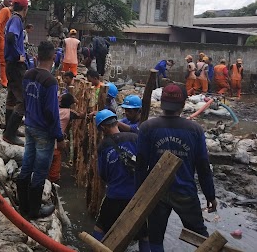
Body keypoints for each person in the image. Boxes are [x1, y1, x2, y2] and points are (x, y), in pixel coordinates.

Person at [136, 83, 216, 252]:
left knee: (155, 237)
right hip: (185, 192)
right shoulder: (194, 130)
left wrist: (139, 194)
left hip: (156, 192)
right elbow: (203, 166)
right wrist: (210, 195)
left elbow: (141, 165)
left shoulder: (147, 128)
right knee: (201, 238)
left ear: (163, 104)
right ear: (183, 104)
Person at [17, 41, 66, 219]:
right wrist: (59, 138)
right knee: (39, 171)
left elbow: (25, 100)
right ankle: (34, 210)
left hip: (29, 126)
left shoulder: (28, 74)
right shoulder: (50, 81)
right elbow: (52, 113)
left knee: (27, 164)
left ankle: (22, 205)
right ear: (53, 58)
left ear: (37, 56)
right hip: (44, 132)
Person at [93, 109, 150, 252]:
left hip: (115, 195)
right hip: (137, 195)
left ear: (103, 128)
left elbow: (103, 174)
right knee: (144, 233)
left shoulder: (103, 147)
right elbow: (145, 163)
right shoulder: (134, 138)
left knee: (100, 227)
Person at [2, 0, 29, 146]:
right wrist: (19, 55)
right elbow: (11, 37)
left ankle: (9, 127)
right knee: (23, 100)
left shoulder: (13, 18)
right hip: (15, 64)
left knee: (12, 95)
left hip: (10, 64)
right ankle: (10, 134)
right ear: (25, 8)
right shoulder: (17, 20)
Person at [48, 93, 85, 184]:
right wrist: (79, 102)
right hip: (57, 143)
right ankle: (53, 183)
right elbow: (82, 115)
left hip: (46, 140)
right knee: (55, 165)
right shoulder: (69, 112)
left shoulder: (53, 108)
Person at [0, 0, 12, 87]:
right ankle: (4, 81)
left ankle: (5, 80)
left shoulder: (8, 11)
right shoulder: (5, 10)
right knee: (3, 61)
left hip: (1, 37)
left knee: (4, 60)